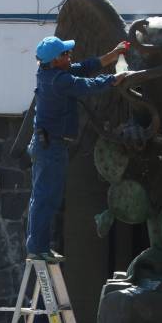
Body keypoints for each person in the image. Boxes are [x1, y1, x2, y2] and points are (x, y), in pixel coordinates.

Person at [26, 35, 130, 262]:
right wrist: (113, 79)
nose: (70, 55)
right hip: (50, 146)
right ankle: (38, 248)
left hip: (49, 144)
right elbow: (86, 85)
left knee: (44, 197)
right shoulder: (59, 81)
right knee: (46, 198)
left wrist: (112, 55)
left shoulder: (52, 73)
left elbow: (84, 67)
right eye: (65, 54)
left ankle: (37, 245)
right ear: (55, 61)